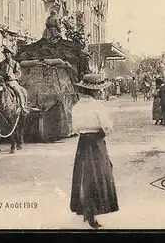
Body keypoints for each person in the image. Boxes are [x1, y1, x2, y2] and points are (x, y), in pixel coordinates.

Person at [70, 74, 118, 229]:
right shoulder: (98, 106)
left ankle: (85, 210)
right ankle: (94, 213)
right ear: (94, 92)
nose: (99, 93)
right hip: (96, 142)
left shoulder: (76, 107)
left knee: (84, 176)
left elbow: (76, 129)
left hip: (82, 143)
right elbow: (107, 127)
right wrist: (105, 132)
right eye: (98, 91)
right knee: (101, 174)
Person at [0, 46, 28, 113]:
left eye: (8, 53)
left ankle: (22, 107)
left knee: (18, 92)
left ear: (11, 54)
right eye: (5, 53)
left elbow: (18, 73)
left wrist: (11, 76)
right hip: (2, 82)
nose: (6, 54)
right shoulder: (1, 64)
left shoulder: (15, 63)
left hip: (11, 82)